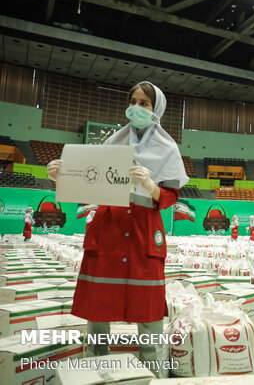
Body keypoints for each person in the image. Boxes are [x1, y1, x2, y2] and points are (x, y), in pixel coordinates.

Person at [47, 81, 188, 377]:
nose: (136, 108)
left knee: (148, 308)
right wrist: (59, 178)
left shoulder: (168, 149)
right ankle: (95, 369)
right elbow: (87, 186)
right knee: (98, 306)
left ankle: (151, 372)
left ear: (156, 109)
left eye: (144, 103)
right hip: (108, 227)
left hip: (142, 231)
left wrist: (151, 187)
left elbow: (171, 196)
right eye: (133, 101)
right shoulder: (112, 142)